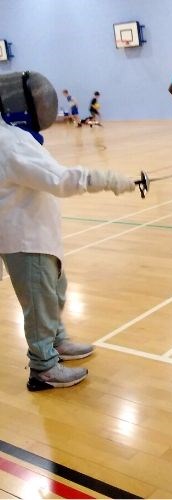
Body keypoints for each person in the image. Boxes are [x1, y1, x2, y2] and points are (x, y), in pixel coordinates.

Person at [0, 71, 137, 391]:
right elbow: (59, 179)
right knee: (40, 303)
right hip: (25, 238)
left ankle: (56, 342)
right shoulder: (9, 143)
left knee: (54, 292)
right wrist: (106, 180)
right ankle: (43, 367)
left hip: (37, 233)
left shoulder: (12, 135)